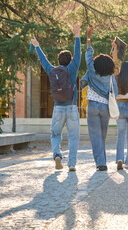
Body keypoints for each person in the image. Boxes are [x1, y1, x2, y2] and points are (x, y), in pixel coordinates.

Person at [30, 24, 81, 171]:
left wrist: (37, 45)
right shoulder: (72, 68)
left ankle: (57, 154)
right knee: (73, 137)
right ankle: (72, 164)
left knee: (55, 134)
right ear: (70, 60)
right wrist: (77, 35)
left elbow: (43, 61)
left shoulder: (52, 70)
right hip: (72, 108)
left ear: (58, 60)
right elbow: (78, 53)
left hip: (58, 108)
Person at [80, 28, 118, 171]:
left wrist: (88, 40)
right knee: (102, 135)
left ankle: (101, 163)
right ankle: (102, 161)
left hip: (93, 107)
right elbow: (116, 92)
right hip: (105, 108)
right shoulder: (110, 78)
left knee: (95, 136)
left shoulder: (92, 71)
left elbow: (88, 58)